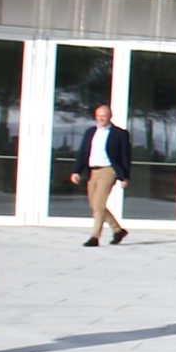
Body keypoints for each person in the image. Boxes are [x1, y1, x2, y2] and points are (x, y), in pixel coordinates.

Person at [69, 103, 131, 246]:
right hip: (93, 171)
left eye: (104, 116)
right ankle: (117, 230)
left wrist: (124, 176)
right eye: (98, 116)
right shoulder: (90, 132)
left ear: (110, 116)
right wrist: (76, 171)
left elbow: (125, 156)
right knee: (95, 205)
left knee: (99, 203)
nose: (101, 119)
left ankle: (95, 237)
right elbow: (83, 153)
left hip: (109, 170)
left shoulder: (120, 134)